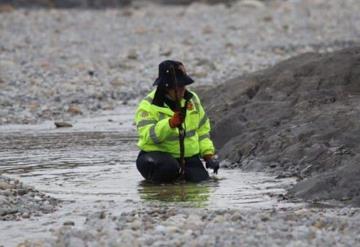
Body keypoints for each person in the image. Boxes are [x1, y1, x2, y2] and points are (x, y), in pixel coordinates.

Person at [134, 60, 219, 183]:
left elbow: (202, 131)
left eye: (184, 85)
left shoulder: (192, 99)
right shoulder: (147, 105)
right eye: (178, 87)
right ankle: (156, 190)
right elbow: (148, 136)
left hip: (188, 158)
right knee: (169, 168)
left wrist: (208, 155)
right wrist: (169, 124)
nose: (183, 90)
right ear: (166, 87)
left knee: (202, 182)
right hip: (156, 157)